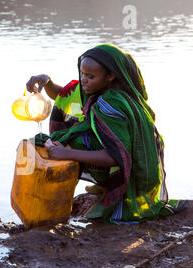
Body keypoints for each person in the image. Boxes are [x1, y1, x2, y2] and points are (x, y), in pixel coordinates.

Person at [26, 43, 186, 224]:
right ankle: (105, 185)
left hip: (135, 171)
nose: (84, 80)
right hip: (134, 159)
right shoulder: (114, 89)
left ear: (110, 75)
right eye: (82, 74)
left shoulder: (109, 106)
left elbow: (117, 156)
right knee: (77, 128)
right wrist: (47, 81)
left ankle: (113, 187)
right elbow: (65, 95)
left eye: (90, 76)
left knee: (71, 140)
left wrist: (66, 153)